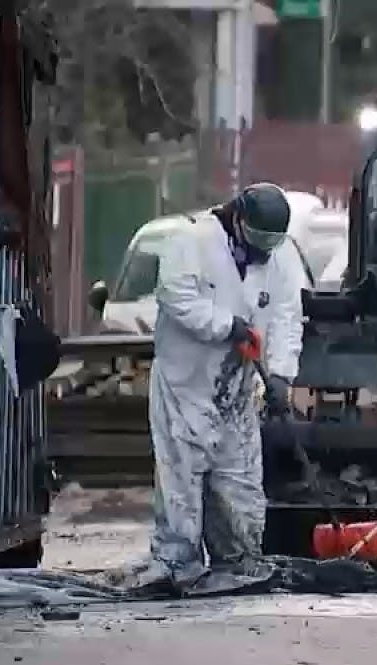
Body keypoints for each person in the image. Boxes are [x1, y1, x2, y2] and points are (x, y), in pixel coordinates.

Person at [130, 182, 305, 590]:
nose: (265, 251)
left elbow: (285, 317)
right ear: (239, 220)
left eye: (271, 243)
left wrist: (281, 374)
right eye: (260, 239)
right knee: (182, 480)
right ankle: (177, 562)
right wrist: (227, 326)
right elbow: (174, 296)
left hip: (235, 395)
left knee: (239, 480)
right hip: (185, 387)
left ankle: (239, 559)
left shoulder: (277, 262)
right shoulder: (192, 241)